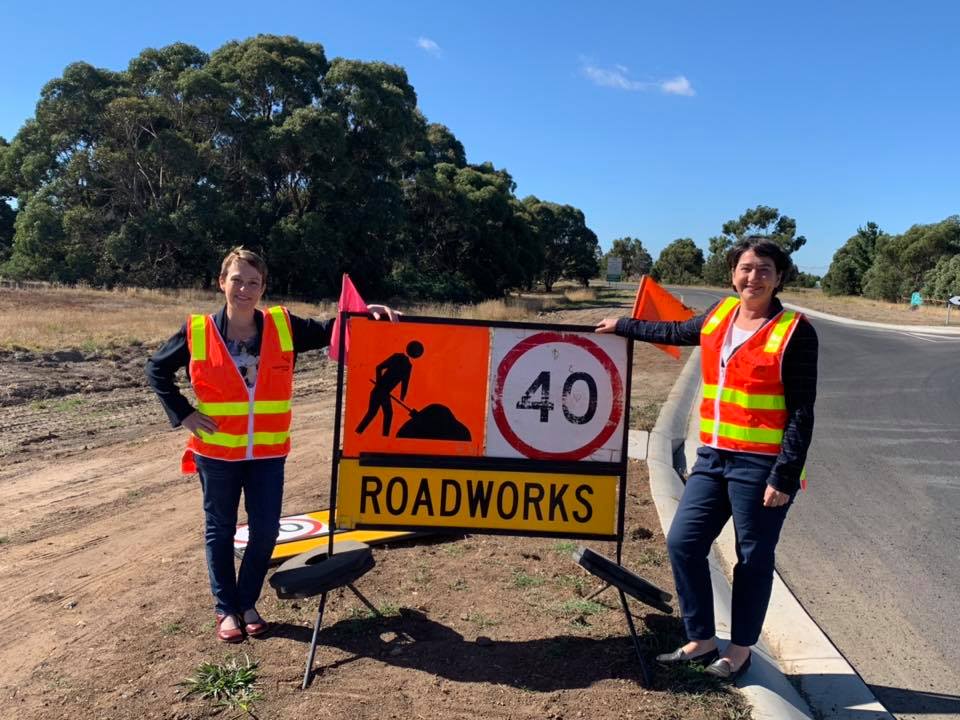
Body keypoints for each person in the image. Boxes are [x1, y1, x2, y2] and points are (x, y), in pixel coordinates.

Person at [146, 247, 398, 643]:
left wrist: (371, 314)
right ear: (221, 282)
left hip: (268, 454)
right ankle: (226, 609)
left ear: (262, 287)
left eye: (253, 282)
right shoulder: (197, 330)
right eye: (237, 280)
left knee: (264, 532)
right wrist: (184, 413)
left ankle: (247, 601)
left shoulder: (283, 326)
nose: (244, 289)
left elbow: (335, 328)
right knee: (220, 530)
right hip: (217, 454)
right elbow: (156, 368)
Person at [596, 237, 818, 681]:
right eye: (746, 268)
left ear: (778, 279)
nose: (753, 277)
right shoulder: (719, 315)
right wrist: (623, 324)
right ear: (733, 273)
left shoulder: (794, 330)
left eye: (764, 270)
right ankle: (701, 638)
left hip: (761, 466)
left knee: (753, 557)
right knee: (683, 542)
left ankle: (739, 650)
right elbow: (673, 332)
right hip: (713, 458)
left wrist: (786, 476)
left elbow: (801, 411)